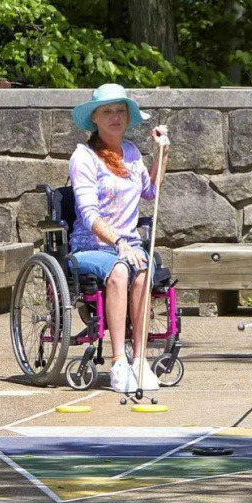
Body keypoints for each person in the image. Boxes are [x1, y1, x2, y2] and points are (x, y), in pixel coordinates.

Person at [68, 82, 169, 395]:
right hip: (91, 248)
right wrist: (120, 244)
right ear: (95, 118)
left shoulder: (131, 153)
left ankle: (139, 361)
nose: (115, 116)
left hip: (128, 247)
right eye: (107, 111)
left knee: (141, 270)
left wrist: (160, 153)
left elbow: (150, 192)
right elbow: (89, 215)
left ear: (128, 117)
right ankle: (118, 362)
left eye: (120, 111)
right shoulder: (83, 157)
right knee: (123, 268)